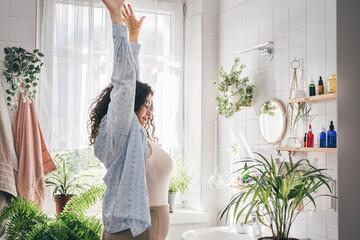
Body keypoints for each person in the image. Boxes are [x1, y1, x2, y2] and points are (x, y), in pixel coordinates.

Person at [88, 0, 173, 239]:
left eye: (150, 105)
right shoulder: (120, 128)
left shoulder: (130, 131)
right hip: (130, 229)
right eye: (144, 104)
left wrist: (134, 39)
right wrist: (117, 20)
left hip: (138, 225)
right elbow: (126, 82)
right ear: (130, 104)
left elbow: (131, 84)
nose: (149, 110)